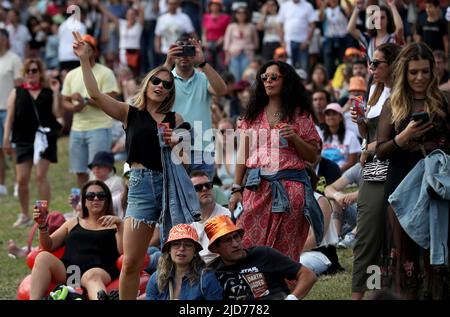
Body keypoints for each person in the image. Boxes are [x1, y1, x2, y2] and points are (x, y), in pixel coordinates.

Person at [72, 31, 184, 300]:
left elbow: (185, 159)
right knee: (132, 261)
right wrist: (85, 60)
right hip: (141, 186)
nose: (160, 86)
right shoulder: (130, 113)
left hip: (171, 187)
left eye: (166, 84)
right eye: (155, 81)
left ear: (171, 92)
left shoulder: (175, 117)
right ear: (147, 83)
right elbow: (95, 94)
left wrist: (175, 142)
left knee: (179, 261)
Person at [376, 43, 450, 299]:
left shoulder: (442, 101)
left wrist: (435, 147)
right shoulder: (393, 104)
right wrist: (402, 138)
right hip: (400, 186)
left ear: (433, 72)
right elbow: (380, 151)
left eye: (425, 72)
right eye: (413, 72)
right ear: (404, 73)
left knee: (435, 254)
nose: (419, 78)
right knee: (403, 256)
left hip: (434, 187)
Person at [229, 60, 321, 262]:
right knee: (247, 242)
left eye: (273, 77)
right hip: (256, 187)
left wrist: (295, 138)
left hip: (291, 188)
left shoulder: (299, 115)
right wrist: (236, 188)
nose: (268, 81)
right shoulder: (251, 116)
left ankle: (282, 292)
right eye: (264, 77)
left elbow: (313, 156)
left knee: (285, 249)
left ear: (285, 81)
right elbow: (242, 156)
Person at [350, 42, 401, 300]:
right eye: (371, 62)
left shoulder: (401, 93)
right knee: (368, 230)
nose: (371, 67)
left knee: (388, 235)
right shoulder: (373, 89)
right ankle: (360, 294)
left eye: (376, 63)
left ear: (392, 65)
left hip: (396, 163)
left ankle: (381, 293)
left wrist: (369, 146)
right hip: (374, 166)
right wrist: (360, 123)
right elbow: (367, 135)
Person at [29, 180, 123, 300]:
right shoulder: (73, 223)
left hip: (100, 271)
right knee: (42, 257)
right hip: (71, 272)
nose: (95, 199)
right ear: (84, 201)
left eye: (101, 196)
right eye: (90, 196)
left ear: (107, 200)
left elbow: (122, 251)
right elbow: (49, 245)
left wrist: (120, 225)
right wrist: (42, 225)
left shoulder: (116, 224)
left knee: (91, 275)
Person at [3, 58, 62, 228]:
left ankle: (43, 214)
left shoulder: (48, 92)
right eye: (28, 71)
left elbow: (57, 113)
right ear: (24, 73)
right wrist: (6, 139)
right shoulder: (17, 92)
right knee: (22, 179)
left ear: (40, 72)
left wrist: (57, 92)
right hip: (23, 139)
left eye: (34, 70)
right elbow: (9, 118)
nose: (31, 74)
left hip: (44, 139)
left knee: (40, 176)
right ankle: (24, 214)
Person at [205, 215, 317, 300]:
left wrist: (292, 298)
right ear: (215, 248)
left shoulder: (263, 254)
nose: (235, 244)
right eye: (227, 240)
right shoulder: (211, 272)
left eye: (236, 237)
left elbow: (307, 275)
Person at [164, 34, 227, 180]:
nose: (184, 56)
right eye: (180, 51)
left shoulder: (204, 78)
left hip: (202, 149)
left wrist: (203, 63)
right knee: (177, 199)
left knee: (202, 199)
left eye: (189, 51)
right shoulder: (165, 80)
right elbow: (149, 94)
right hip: (174, 148)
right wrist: (167, 63)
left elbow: (222, 91)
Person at [62, 34, 119, 188]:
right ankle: (83, 205)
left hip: (99, 127)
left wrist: (86, 101)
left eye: (88, 48)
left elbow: (112, 98)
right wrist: (74, 107)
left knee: (99, 172)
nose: (84, 51)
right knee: (80, 171)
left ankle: (101, 202)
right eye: (81, 48)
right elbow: (65, 100)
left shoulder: (105, 72)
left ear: (95, 51)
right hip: (77, 128)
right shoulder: (71, 74)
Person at [146, 223, 223, 300]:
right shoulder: (156, 278)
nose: (182, 248)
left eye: (188, 245)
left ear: (195, 252)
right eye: (176, 244)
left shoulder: (206, 278)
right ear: (169, 250)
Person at [189, 170, 231, 264]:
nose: (204, 189)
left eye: (208, 185)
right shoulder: (188, 221)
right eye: (198, 187)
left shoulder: (226, 216)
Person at [0, 28, 22, 197]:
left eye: (1, 38)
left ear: (6, 40)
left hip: (9, 109)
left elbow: (19, 86)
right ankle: (1, 185)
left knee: (12, 148)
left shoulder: (14, 59)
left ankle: (17, 182)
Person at [318, 103, 361, 173]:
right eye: (328, 114)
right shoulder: (320, 135)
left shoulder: (351, 136)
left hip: (344, 176)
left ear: (341, 117)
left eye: (334, 114)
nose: (331, 117)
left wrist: (335, 172)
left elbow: (352, 162)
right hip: (323, 174)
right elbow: (316, 157)